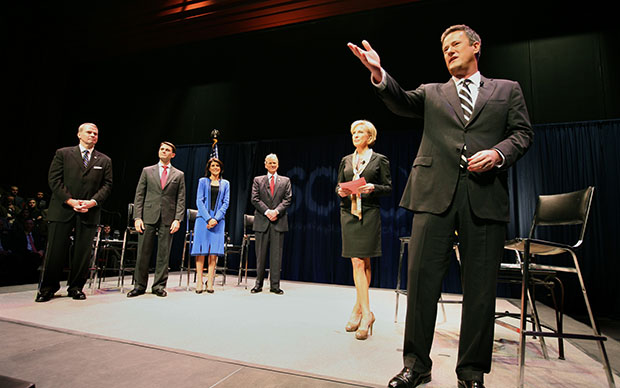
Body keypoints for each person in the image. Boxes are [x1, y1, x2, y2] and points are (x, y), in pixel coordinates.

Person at [349, 24, 533, 388]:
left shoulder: (507, 90)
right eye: (444, 48)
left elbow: (523, 134)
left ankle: (471, 372)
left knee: (480, 290)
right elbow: (400, 100)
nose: (448, 51)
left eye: (455, 45)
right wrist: (379, 74)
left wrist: (498, 154)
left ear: (475, 46)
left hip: (484, 196)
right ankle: (416, 365)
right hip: (433, 194)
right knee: (421, 283)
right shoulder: (433, 93)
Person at [36, 122, 113, 302]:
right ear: (79, 134)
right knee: (55, 250)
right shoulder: (63, 153)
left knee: (82, 253)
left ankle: (76, 287)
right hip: (63, 209)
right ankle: (48, 288)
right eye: (89, 132)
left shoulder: (104, 160)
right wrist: (70, 201)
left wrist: (92, 202)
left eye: (96, 133)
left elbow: (107, 185)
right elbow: (54, 180)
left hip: (89, 211)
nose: (93, 135)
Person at [336, 120, 392, 340]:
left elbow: (388, 187)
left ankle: (362, 312)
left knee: (364, 261)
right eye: (353, 133)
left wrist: (373, 187)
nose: (356, 135)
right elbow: (339, 184)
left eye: (360, 132)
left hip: (368, 212)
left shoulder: (379, 160)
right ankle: (363, 311)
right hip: (348, 212)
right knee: (358, 261)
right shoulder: (346, 160)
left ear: (370, 137)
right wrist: (340, 191)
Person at [127, 142, 186, 298]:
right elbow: (139, 195)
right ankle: (139, 285)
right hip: (148, 215)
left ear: (173, 154)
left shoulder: (178, 175)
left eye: (167, 150)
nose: (164, 151)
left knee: (163, 254)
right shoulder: (147, 171)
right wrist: (137, 217)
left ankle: (159, 286)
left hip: (168, 217)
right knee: (143, 253)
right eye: (162, 149)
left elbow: (181, 199)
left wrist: (178, 219)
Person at [250, 154, 292, 295]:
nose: (273, 165)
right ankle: (258, 284)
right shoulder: (258, 180)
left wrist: (276, 212)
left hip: (278, 222)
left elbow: (287, 199)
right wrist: (267, 211)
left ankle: (275, 286)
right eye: (270, 163)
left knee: (276, 256)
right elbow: (254, 199)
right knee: (260, 256)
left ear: (278, 164)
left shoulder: (285, 181)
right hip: (262, 221)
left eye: (275, 163)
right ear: (265, 164)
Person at [191, 158, 230, 293]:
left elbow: (226, 203)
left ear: (221, 168)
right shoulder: (202, 181)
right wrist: (208, 219)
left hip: (218, 222)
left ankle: (210, 282)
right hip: (203, 220)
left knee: (213, 252)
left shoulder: (226, 184)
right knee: (201, 251)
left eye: (217, 166)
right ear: (208, 168)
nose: (215, 168)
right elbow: (199, 201)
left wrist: (216, 219)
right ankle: (200, 282)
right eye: (212, 165)